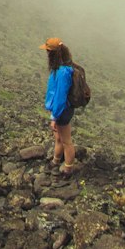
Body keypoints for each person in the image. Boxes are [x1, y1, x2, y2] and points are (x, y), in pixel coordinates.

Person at [40, 36, 76, 174]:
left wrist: (54, 117)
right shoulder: (61, 68)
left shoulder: (62, 72)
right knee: (59, 138)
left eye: (48, 50)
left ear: (53, 53)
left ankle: (67, 169)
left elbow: (60, 96)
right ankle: (55, 162)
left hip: (62, 110)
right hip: (60, 109)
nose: (46, 53)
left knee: (66, 141)